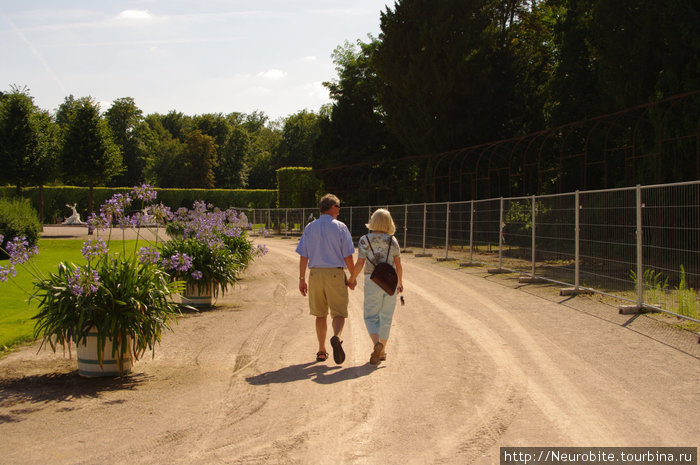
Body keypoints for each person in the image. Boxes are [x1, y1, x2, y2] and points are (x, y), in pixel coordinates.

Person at [296, 194, 356, 364]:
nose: (339, 210)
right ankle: (336, 337)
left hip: (315, 274)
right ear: (331, 207)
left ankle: (321, 350)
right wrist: (352, 277)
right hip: (335, 274)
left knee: (320, 314)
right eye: (338, 206)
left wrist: (302, 279)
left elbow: (303, 255)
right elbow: (348, 256)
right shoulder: (341, 227)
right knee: (338, 312)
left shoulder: (310, 227)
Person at [348, 209, 403, 365]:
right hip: (390, 283)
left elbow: (360, 263)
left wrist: (351, 278)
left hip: (372, 281)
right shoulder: (393, 241)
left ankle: (377, 345)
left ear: (373, 222)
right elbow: (398, 265)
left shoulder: (365, 240)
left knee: (370, 316)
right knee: (386, 316)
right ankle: (383, 349)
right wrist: (400, 283)